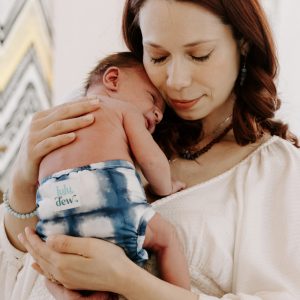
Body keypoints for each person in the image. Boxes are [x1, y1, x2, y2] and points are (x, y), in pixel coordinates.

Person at [2, 0, 300, 299]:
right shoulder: (99, 108)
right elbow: (14, 270)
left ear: (244, 44)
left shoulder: (274, 171)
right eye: (158, 57)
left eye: (200, 55)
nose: (177, 81)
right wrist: (22, 180)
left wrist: (126, 280)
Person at [36, 51, 189, 292]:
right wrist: (166, 186)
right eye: (152, 99)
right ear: (113, 79)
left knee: (71, 276)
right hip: (105, 196)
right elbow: (152, 160)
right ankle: (181, 294)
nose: (158, 115)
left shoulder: (56, 119)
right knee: (166, 238)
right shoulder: (121, 110)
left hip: (55, 216)